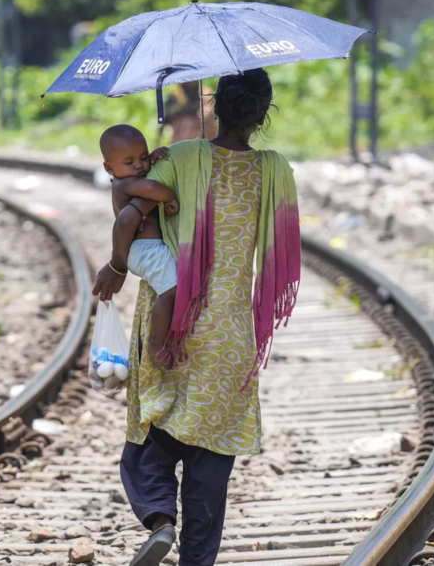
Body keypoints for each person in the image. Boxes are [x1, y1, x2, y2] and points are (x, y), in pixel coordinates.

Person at [92, 69, 301, 566]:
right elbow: (281, 248)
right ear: (262, 114)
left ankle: (160, 521)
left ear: (214, 107)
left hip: (173, 325)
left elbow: (129, 212)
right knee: (211, 464)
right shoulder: (276, 170)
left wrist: (118, 265)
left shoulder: (182, 158)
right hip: (231, 334)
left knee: (151, 437)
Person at [101, 125, 180, 365]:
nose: (139, 166)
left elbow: (147, 177)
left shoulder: (129, 177)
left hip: (148, 249)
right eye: (129, 162)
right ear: (109, 167)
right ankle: (156, 344)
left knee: (171, 291)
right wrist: (171, 195)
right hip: (146, 250)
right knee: (171, 294)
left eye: (143, 158)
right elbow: (152, 188)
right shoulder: (124, 185)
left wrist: (154, 161)